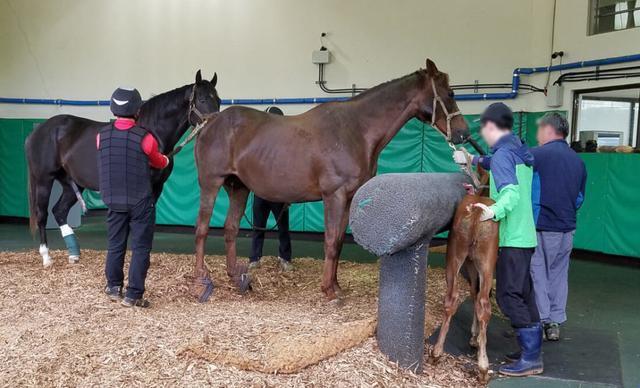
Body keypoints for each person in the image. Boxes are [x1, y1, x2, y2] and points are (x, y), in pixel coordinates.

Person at [454, 103, 542, 377]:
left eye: (484, 128)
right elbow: (497, 164)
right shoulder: (520, 151)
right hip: (526, 235)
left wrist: (492, 210)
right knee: (525, 293)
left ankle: (531, 359)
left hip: (511, 236)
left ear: (492, 127)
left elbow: (511, 194)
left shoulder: (504, 154)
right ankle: (531, 350)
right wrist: (474, 159)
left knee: (507, 295)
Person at [98, 87, 169, 308]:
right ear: (138, 110)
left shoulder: (101, 136)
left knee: (115, 244)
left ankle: (113, 286)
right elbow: (158, 161)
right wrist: (166, 160)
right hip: (140, 201)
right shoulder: (146, 138)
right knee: (140, 247)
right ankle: (133, 294)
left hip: (113, 200)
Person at [530, 113, 587, 341]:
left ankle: (541, 320)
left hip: (543, 225)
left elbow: (505, 162)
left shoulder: (539, 155)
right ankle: (554, 322)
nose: (537, 135)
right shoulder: (578, 161)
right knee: (559, 273)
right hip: (568, 228)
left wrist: (474, 160)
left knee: (538, 272)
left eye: (539, 129)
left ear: (548, 129)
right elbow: (579, 198)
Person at [248, 106, 293, 271]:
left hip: (279, 194)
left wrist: (288, 196)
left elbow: (289, 170)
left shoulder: (286, 145)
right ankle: (255, 258)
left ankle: (285, 258)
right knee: (258, 227)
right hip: (260, 192)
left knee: (283, 229)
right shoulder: (257, 143)